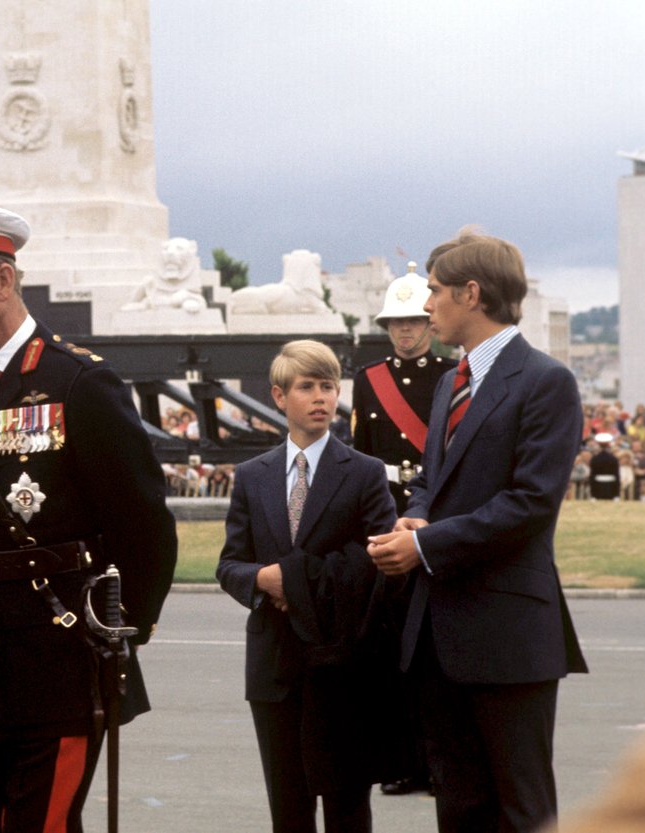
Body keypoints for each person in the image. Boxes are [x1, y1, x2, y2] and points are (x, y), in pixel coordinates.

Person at [0, 202, 178, 832]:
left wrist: (120, 630)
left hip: (62, 659)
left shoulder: (77, 382)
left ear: (3, 280)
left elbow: (144, 525)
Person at [366, 228, 587, 833]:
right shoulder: (451, 381)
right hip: (439, 632)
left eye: (434, 292)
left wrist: (424, 544)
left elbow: (530, 504)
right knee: (459, 807)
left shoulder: (545, 381)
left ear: (471, 293)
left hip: (508, 634)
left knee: (521, 810)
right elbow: (433, 482)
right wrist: (414, 515)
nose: (425, 306)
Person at [217, 340, 397, 833]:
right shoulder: (253, 476)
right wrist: (260, 579)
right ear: (279, 397)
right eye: (306, 387)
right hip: (274, 667)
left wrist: (294, 580)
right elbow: (229, 564)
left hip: (342, 665)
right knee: (289, 809)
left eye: (328, 386)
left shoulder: (363, 472)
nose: (320, 398)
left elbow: (377, 559)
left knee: (347, 807)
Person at [350, 263, 455, 797]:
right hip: (385, 510)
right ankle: (406, 760)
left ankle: (439, 763)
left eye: (414, 322)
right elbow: (362, 457)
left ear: (430, 324)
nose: (406, 332)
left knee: (432, 650)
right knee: (392, 649)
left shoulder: (454, 375)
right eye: (396, 324)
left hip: (431, 512)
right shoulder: (368, 380)